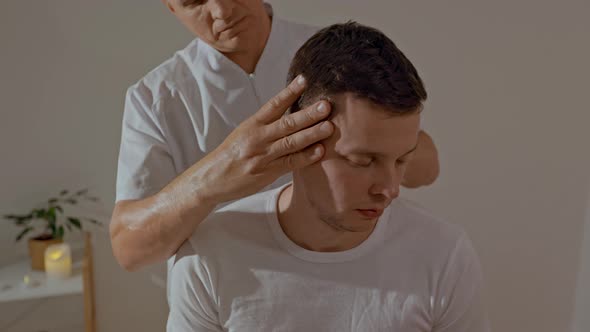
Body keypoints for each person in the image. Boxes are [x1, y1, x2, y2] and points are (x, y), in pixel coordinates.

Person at [167, 22, 489, 331]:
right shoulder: (210, 257)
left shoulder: (443, 255)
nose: (389, 189)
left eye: (402, 160)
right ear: (301, 137)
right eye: (363, 160)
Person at [110, 0, 439, 273]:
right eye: (194, 1)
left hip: (358, 272)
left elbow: (427, 168)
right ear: (171, 7)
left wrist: (360, 149)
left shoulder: (333, 58)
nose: (222, 10)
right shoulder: (154, 98)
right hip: (226, 298)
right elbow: (129, 251)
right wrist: (215, 175)